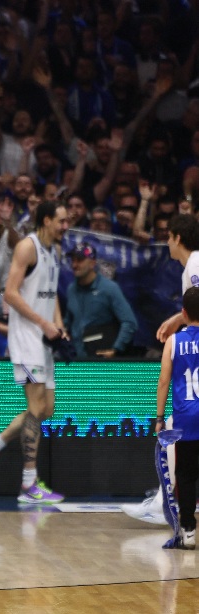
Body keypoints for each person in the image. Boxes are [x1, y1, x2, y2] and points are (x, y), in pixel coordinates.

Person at [0, 202, 70, 504]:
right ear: (47, 220)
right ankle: (28, 484)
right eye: (61, 221)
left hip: (45, 339)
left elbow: (51, 294)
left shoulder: (55, 251)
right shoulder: (28, 247)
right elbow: (11, 294)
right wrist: (43, 323)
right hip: (27, 338)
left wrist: (58, 325)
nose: (66, 226)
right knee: (36, 407)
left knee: (46, 408)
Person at [123, 213, 199, 524]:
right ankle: (164, 500)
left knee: (171, 429)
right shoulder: (191, 265)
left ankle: (163, 503)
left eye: (168, 236)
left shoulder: (195, 264)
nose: (166, 242)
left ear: (178, 238)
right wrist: (177, 319)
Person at [156, 285, 199, 550]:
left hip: (186, 419)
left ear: (183, 313)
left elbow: (163, 381)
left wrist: (160, 417)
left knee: (185, 475)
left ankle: (189, 531)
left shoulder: (173, 341)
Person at [64, 243, 137, 358]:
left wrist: (116, 349)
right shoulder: (71, 290)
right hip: (77, 360)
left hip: (100, 360)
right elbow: (68, 322)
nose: (74, 265)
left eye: (80, 260)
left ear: (92, 263)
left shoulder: (109, 288)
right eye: (72, 260)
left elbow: (130, 322)